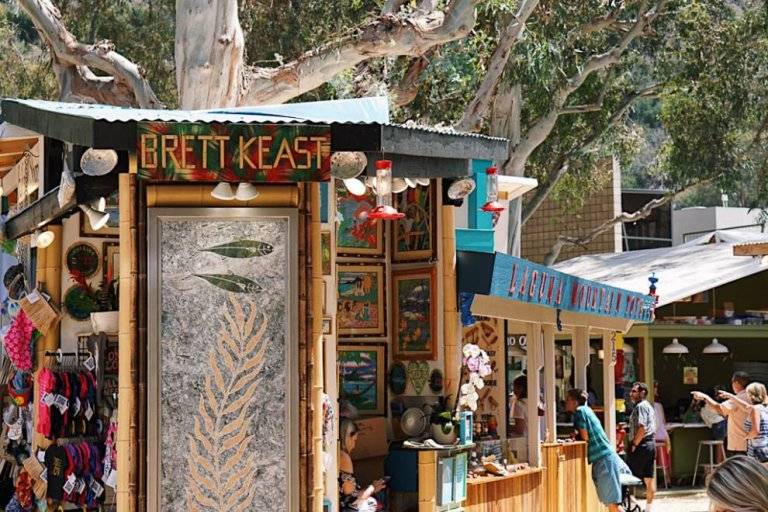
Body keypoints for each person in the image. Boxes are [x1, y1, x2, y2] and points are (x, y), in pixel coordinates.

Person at [566, 388, 630, 512]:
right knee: (612, 504)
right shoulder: (587, 410)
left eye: (568, 399)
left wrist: (576, 437)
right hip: (606, 459)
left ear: (575, 401)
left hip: (603, 460)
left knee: (613, 505)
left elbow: (585, 436)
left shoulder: (579, 411)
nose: (565, 402)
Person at [692, 371, 751, 457]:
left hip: (740, 443)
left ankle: (720, 463)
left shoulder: (739, 399)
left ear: (736, 383)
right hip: (752, 443)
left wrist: (705, 397)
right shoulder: (752, 397)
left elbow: (720, 409)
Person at [339, 419, 386, 512]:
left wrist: (371, 488)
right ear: (348, 437)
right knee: (375, 502)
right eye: (354, 440)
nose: (354, 446)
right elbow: (351, 499)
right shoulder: (343, 457)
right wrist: (372, 489)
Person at [717, 382, 768, 463]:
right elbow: (745, 406)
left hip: (758, 450)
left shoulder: (755, 409)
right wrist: (730, 396)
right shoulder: (763, 408)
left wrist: (745, 438)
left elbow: (755, 431)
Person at [628, 382, 656, 511]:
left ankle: (633, 505)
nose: (631, 394)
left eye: (634, 391)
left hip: (641, 444)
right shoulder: (649, 406)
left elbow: (642, 427)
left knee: (629, 476)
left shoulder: (640, 406)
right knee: (649, 478)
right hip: (650, 443)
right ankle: (648, 508)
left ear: (642, 392)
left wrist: (634, 444)